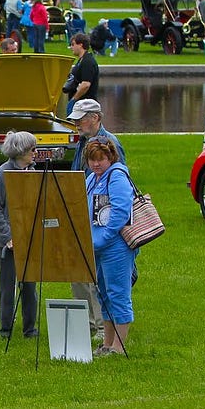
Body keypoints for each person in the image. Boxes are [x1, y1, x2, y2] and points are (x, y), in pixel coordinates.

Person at [68, 97, 126, 340]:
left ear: (96, 118)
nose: (77, 124)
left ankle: (104, 329)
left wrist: (105, 235)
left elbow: (119, 193)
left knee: (104, 282)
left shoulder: (109, 145)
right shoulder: (83, 142)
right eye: (76, 120)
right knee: (81, 272)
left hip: (104, 227)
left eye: (81, 119)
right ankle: (90, 323)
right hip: (83, 216)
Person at [84, 138, 137, 357]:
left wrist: (102, 238)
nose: (96, 164)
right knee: (103, 294)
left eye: (101, 159)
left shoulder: (116, 176)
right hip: (96, 246)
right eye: (92, 160)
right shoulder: (91, 179)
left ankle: (119, 346)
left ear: (110, 158)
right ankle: (107, 343)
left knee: (118, 294)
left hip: (116, 247)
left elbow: (120, 214)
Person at [0, 130, 39, 339]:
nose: (35, 152)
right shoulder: (3, 173)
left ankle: (30, 329)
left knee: (30, 286)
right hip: (7, 243)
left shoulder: (33, 172)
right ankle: (5, 328)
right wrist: (8, 237)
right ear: (20, 151)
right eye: (32, 149)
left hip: (29, 239)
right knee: (8, 287)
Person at [65, 32, 99, 115]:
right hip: (80, 105)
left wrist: (74, 100)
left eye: (73, 44)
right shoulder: (81, 61)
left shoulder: (87, 62)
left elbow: (86, 84)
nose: (71, 47)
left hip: (85, 106)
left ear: (80, 45)